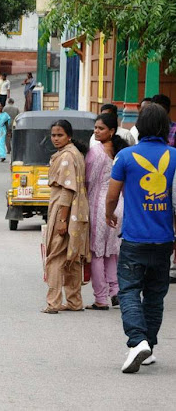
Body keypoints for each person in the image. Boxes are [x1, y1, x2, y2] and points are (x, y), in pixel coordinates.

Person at [106, 103, 176, 373]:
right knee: (155, 296)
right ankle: (148, 348)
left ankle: (137, 341)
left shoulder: (126, 157)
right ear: (165, 127)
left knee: (129, 290)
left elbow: (112, 195)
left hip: (135, 239)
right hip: (164, 240)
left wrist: (108, 214)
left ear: (141, 127)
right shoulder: (174, 155)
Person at [41, 119, 90, 314]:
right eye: (53, 135)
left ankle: (53, 302)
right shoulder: (72, 153)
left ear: (69, 136)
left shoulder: (67, 157)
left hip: (65, 212)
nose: (55, 138)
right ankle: (74, 301)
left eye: (60, 135)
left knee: (55, 257)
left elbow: (67, 191)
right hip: (76, 212)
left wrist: (61, 220)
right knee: (72, 257)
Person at [85, 114, 129, 310]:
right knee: (112, 253)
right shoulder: (122, 152)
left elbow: (89, 182)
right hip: (120, 205)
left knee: (96, 253)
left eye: (100, 128)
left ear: (111, 131)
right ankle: (116, 291)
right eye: (95, 128)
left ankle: (101, 298)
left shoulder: (96, 152)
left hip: (100, 205)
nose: (96, 131)